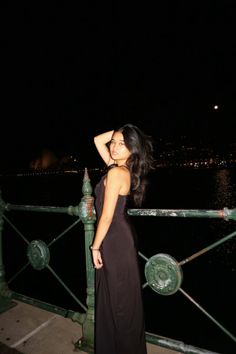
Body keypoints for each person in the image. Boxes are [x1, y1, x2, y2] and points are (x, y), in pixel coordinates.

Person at [90, 123, 154, 354]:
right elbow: (98, 140)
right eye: (114, 143)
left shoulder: (117, 172)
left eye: (122, 144)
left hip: (114, 240)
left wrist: (95, 247)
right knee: (115, 299)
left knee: (119, 303)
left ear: (133, 149)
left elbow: (106, 216)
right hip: (118, 238)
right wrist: (121, 130)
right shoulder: (118, 167)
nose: (115, 147)